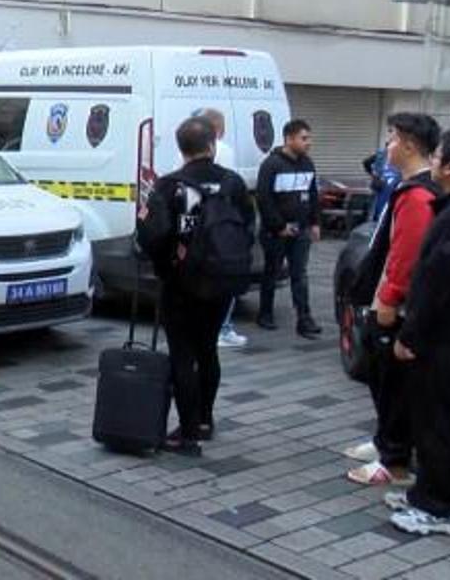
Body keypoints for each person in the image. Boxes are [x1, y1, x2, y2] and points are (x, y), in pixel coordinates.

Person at [384, 129, 450, 537]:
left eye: (438, 157)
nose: (432, 161)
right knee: (431, 418)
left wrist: (409, 336)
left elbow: (434, 285)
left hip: (447, 338)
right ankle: (425, 492)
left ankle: (440, 508)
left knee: (437, 422)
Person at [136, 117, 255, 456]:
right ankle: (205, 419)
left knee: (182, 356)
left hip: (180, 283)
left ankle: (187, 433)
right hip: (221, 280)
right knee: (208, 350)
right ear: (213, 144)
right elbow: (249, 227)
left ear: (180, 148)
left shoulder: (169, 186)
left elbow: (152, 236)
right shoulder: (232, 183)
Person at [343, 114, 440, 487]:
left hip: (395, 307)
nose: (387, 147)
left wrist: (387, 299)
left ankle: (395, 461)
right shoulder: (407, 186)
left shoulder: (418, 194)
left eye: (393, 140)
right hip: (385, 298)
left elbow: (405, 255)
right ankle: (385, 440)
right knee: (380, 379)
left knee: (393, 383)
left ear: (411, 145)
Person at [256, 119, 322, 337]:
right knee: (272, 272)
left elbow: (313, 195)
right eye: (304, 138)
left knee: (299, 274)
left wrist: (315, 222)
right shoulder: (271, 165)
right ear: (289, 139)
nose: (308, 143)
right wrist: (278, 226)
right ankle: (265, 313)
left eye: (309, 138)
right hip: (276, 232)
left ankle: (304, 318)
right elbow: (264, 199)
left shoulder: (308, 164)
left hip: (301, 230)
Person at [194, 108, 248, 349]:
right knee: (225, 282)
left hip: (196, 227)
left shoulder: (185, 154)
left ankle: (204, 327)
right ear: (218, 128)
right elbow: (236, 192)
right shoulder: (224, 152)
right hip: (221, 227)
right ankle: (222, 328)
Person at [363, 144, 401, 222]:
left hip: (382, 186)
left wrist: (374, 175)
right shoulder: (382, 154)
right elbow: (366, 162)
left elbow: (366, 162)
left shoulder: (381, 153)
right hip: (387, 187)